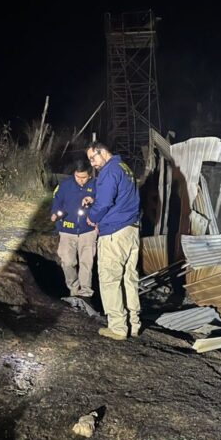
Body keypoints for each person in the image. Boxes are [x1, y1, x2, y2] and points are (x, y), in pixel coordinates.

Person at [85, 141, 141, 341]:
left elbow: (105, 203)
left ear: (102, 152)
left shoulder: (108, 172)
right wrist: (98, 200)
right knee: (129, 278)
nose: (92, 164)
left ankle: (117, 327)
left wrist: (93, 215)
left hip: (114, 234)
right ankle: (133, 324)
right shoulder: (123, 168)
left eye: (93, 158)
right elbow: (121, 197)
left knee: (110, 279)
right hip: (131, 231)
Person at [51, 158, 97, 298]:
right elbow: (56, 201)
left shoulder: (97, 185)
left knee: (86, 263)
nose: (80, 180)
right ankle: (73, 288)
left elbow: (103, 202)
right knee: (67, 262)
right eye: (78, 177)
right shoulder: (65, 185)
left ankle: (86, 292)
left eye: (84, 177)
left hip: (88, 231)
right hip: (67, 230)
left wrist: (93, 201)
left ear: (89, 174)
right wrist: (55, 214)